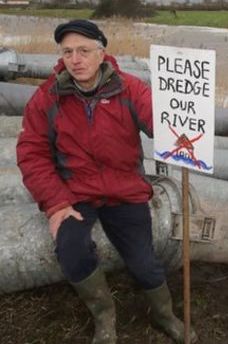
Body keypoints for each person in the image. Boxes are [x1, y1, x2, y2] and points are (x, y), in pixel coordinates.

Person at [16, 19, 197, 344]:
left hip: (125, 192)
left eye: (84, 50)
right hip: (76, 194)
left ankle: (164, 316)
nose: (75, 59)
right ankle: (104, 318)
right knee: (72, 250)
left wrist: (182, 114)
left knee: (144, 263)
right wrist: (56, 205)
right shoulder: (48, 97)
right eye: (68, 51)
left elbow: (161, 122)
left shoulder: (130, 89)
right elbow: (31, 152)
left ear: (102, 53)